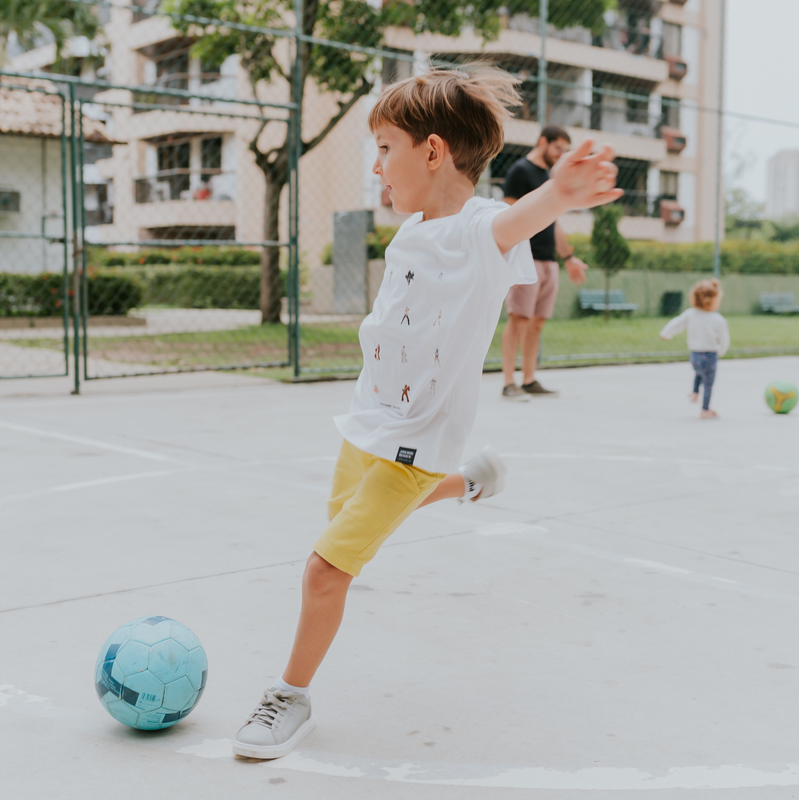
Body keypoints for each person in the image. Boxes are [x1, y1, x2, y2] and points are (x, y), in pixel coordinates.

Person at [231, 67, 622, 760]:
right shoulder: (415, 230)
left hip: (414, 440)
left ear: (433, 152)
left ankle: (289, 695)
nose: (378, 166)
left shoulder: (479, 232)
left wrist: (560, 192)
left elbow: (516, 222)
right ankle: (466, 481)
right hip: (367, 422)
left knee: (326, 570)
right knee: (354, 527)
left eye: (385, 148)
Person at [499, 126, 591, 401]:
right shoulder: (520, 171)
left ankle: (529, 379)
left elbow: (553, 221)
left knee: (537, 323)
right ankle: (508, 382)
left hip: (549, 261)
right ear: (543, 142)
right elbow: (509, 214)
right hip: (526, 258)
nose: (561, 154)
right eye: (558, 148)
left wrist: (568, 257)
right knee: (519, 319)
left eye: (565, 149)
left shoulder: (548, 177)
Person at [659, 279, 730, 419]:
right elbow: (724, 340)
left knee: (698, 372)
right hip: (710, 356)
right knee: (708, 384)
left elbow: (676, 324)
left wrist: (665, 334)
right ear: (713, 300)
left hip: (695, 356)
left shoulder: (690, 314)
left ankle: (695, 393)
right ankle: (705, 410)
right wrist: (721, 352)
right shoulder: (718, 320)